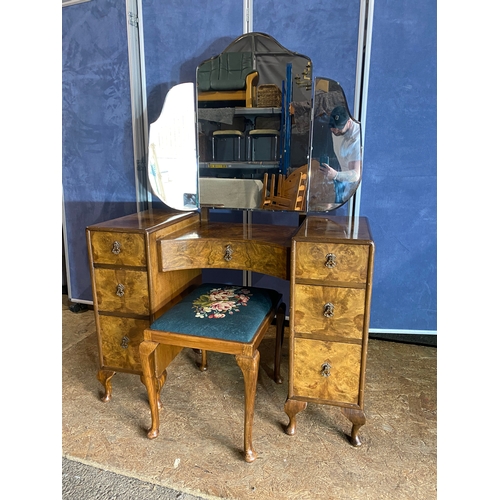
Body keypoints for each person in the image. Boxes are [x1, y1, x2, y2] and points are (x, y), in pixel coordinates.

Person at [318, 105, 361, 203]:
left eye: (339, 128)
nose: (335, 130)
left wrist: (335, 175)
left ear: (349, 122)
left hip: (355, 191)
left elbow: (355, 175)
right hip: (343, 182)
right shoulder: (335, 130)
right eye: (333, 127)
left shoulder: (356, 139)